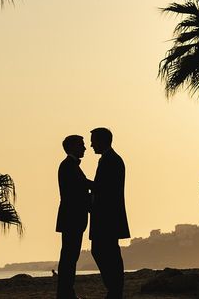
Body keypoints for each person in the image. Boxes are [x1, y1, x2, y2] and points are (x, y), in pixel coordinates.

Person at [89, 127, 129, 299]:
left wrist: (83, 183)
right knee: (108, 252)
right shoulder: (110, 159)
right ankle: (114, 290)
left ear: (102, 141)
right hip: (108, 216)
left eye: (93, 141)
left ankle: (114, 290)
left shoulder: (110, 160)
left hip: (107, 217)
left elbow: (104, 188)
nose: (91, 145)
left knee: (103, 251)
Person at [56, 135, 92, 299]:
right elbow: (80, 189)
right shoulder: (69, 166)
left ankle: (66, 292)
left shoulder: (69, 166)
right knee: (69, 257)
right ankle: (66, 293)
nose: (85, 148)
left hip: (71, 218)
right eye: (81, 145)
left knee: (69, 257)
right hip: (72, 218)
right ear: (72, 147)